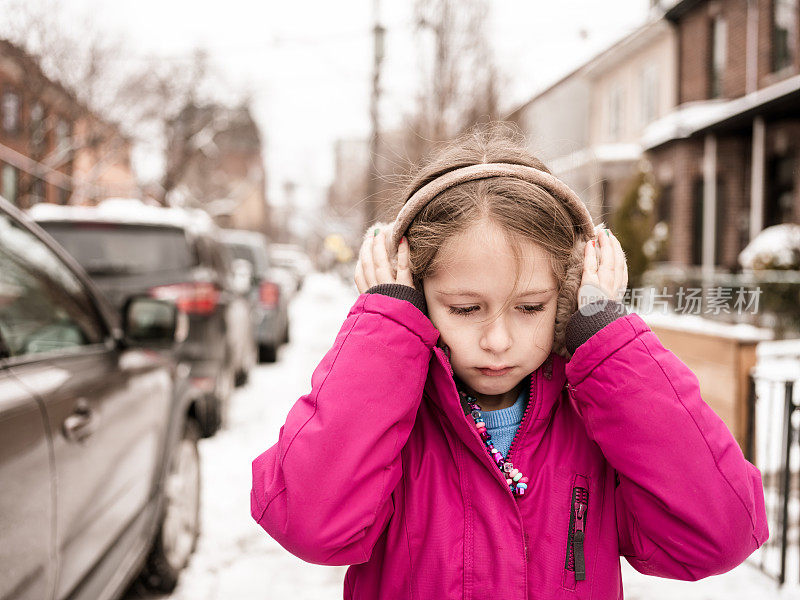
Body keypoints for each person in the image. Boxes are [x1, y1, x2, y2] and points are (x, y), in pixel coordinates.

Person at [250, 124, 768, 599]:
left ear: (566, 298)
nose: (497, 340)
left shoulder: (597, 426)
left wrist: (611, 345)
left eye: (530, 308)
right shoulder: (392, 429)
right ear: (416, 292)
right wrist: (386, 332)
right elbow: (309, 522)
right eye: (465, 308)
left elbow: (719, 533)